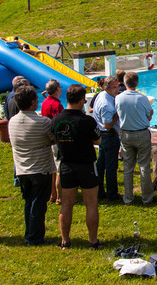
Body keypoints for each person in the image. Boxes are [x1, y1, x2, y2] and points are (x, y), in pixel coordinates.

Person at [50, 84, 103, 250]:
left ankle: (65, 241)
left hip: (66, 165)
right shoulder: (87, 121)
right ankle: (93, 241)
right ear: (81, 101)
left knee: (66, 204)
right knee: (91, 204)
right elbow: (98, 140)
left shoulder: (57, 120)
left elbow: (52, 138)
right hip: (86, 164)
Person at [8, 85, 55, 246]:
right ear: (33, 102)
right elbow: (53, 138)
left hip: (22, 168)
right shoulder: (42, 122)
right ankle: (35, 237)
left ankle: (30, 233)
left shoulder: (12, 121)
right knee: (38, 204)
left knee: (29, 202)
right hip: (40, 167)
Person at [115, 72, 155, 206]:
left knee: (128, 167)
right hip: (141, 133)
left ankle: (128, 198)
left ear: (124, 83)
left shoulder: (118, 98)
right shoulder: (142, 98)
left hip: (126, 134)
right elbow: (148, 117)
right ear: (137, 83)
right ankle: (147, 197)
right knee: (144, 166)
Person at [93, 76, 121, 201]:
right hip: (108, 135)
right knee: (111, 167)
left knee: (101, 164)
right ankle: (112, 194)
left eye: (118, 86)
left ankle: (100, 191)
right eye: (114, 87)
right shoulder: (106, 104)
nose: (117, 90)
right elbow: (107, 124)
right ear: (106, 88)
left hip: (102, 136)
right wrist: (117, 116)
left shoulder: (102, 96)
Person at [41, 79, 64, 205]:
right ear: (57, 90)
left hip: (47, 138)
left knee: (52, 169)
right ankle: (60, 197)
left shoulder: (45, 102)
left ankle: (52, 194)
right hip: (56, 139)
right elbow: (60, 123)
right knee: (59, 168)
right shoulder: (57, 105)